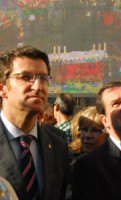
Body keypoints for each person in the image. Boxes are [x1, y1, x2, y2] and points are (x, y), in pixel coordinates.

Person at [0, 46, 69, 200]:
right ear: (2, 88)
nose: (38, 87)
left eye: (43, 78)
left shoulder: (58, 145)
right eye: (25, 77)